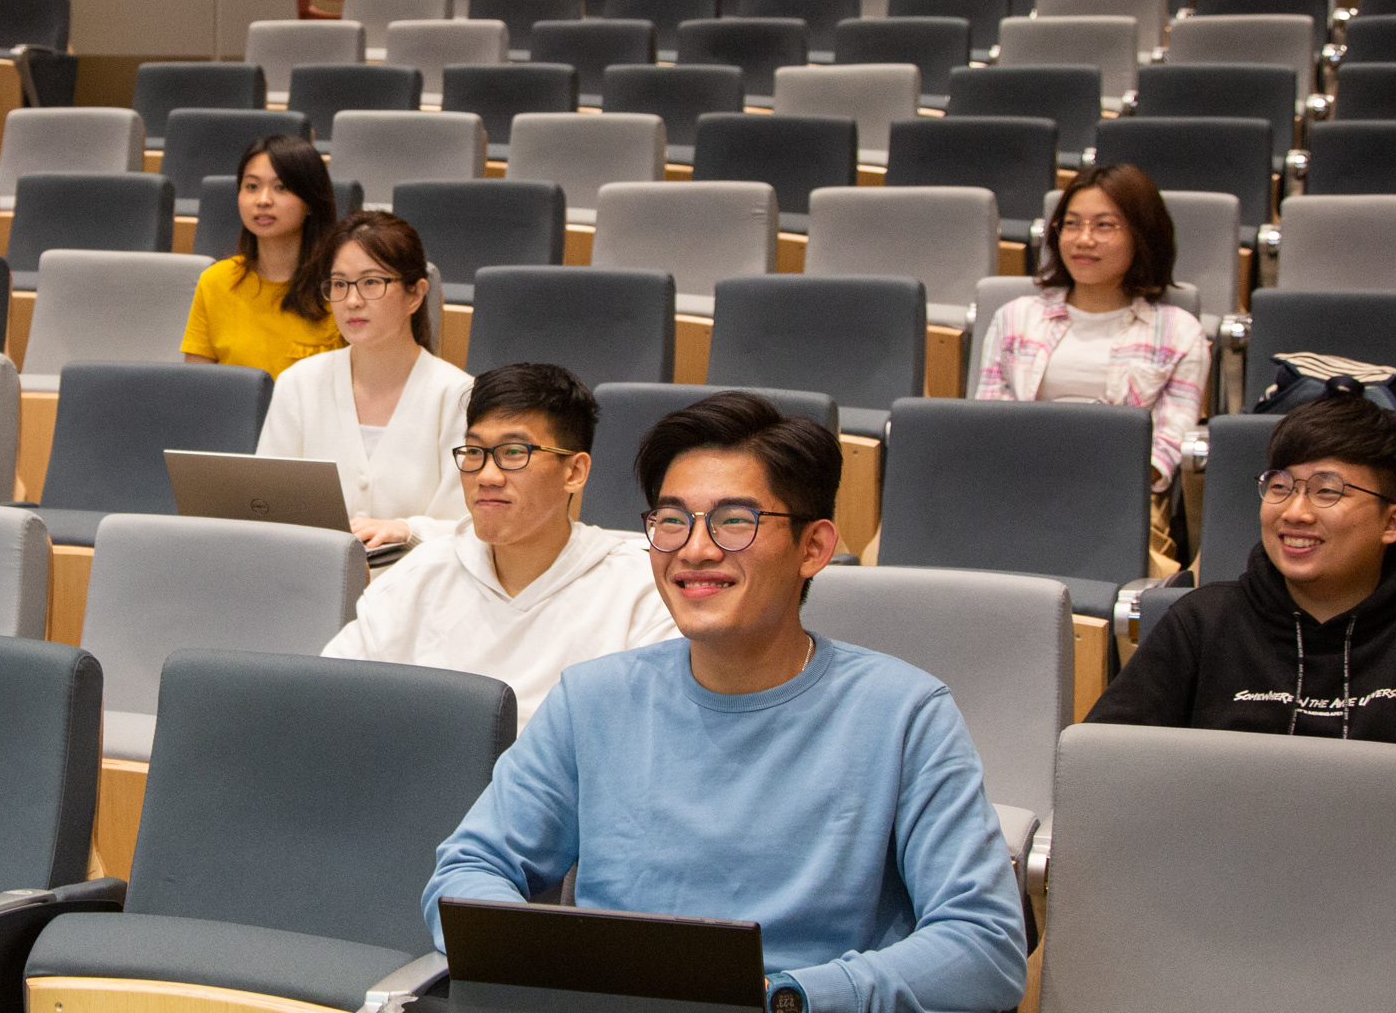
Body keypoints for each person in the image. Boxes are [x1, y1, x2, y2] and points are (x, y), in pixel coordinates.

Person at [428, 393, 1029, 1013]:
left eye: (735, 520)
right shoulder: (593, 699)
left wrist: (786, 997)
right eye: (671, 520)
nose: (694, 550)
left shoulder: (904, 714)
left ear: (814, 548)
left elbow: (984, 947)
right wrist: (563, 974)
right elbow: (469, 868)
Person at [1089, 393, 1396, 853]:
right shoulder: (1203, 622)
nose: (1295, 512)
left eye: (1327, 491)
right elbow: (1103, 762)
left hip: (1389, 896)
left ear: (1393, 523)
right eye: (1280, 486)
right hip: (1221, 879)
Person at [323, 363, 674, 724]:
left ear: (574, 472)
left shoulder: (640, 595)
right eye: (474, 452)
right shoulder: (414, 580)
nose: (487, 476)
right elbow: (326, 702)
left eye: (513, 452)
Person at [972, 161, 1208, 562]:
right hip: (1015, 487)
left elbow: (1164, 454)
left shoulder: (1179, 332)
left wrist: (1080, 483)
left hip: (1119, 503)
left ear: (1141, 235)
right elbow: (989, 423)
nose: (1083, 239)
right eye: (1072, 224)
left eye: (1104, 226)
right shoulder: (1015, 317)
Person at [256, 212, 472, 548]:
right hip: (310, 578)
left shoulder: (458, 395)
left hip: (418, 585)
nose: (352, 300)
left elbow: (471, 524)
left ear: (415, 295)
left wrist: (407, 530)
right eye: (339, 284)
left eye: (371, 282)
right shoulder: (298, 383)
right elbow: (263, 503)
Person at [180, 133, 345, 376]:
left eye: (281, 187)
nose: (263, 200)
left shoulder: (344, 287)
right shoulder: (215, 282)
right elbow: (198, 393)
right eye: (252, 187)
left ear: (310, 201)